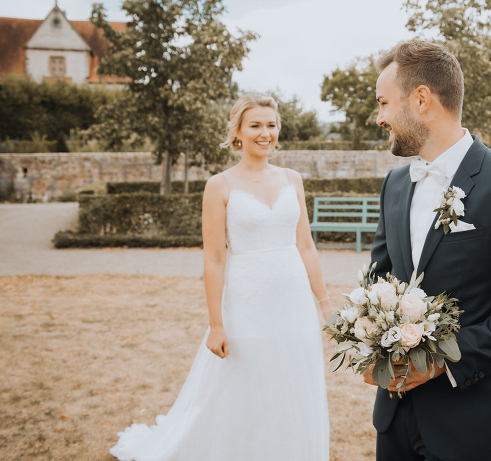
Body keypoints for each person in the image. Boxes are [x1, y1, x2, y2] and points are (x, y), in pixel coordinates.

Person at [363, 40, 491, 461]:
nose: (380, 117)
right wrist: (371, 341)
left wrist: (442, 359)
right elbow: (380, 278)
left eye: (385, 103)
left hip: (469, 421)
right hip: (394, 417)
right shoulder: (395, 185)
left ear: (421, 99)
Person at [110, 94, 332, 461]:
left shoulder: (293, 180)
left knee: (293, 383)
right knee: (244, 383)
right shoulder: (220, 185)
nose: (265, 133)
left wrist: (324, 306)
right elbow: (214, 259)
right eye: (255, 125)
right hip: (246, 300)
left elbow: (306, 245)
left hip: (293, 301)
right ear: (238, 133)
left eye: (271, 125)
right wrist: (216, 324)